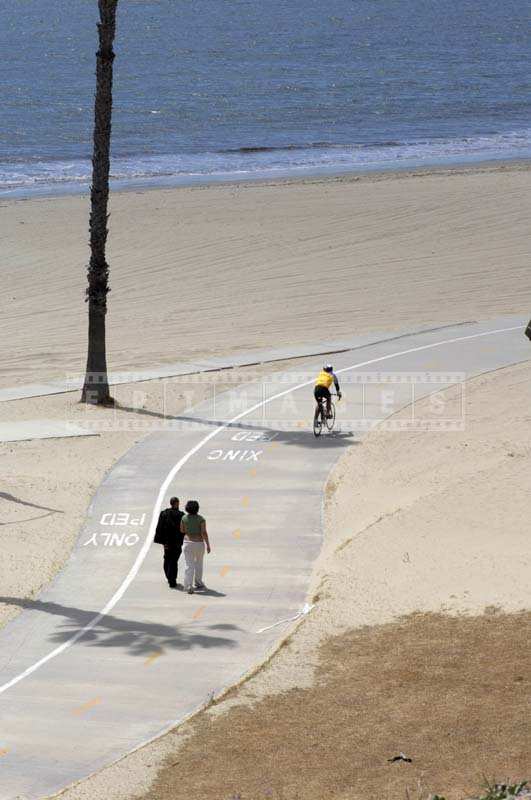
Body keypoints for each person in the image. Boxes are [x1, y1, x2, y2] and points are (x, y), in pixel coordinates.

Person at [180, 500, 211, 594]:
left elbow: (182, 530)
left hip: (187, 543)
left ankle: (188, 586)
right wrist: (208, 545)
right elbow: (204, 532)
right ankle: (198, 582)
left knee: (189, 565)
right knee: (199, 564)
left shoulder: (184, 518)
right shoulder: (201, 519)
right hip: (199, 543)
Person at [154, 497, 184, 589]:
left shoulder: (164, 513)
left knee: (167, 558)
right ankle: (172, 580)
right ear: (177, 503)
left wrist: (161, 541)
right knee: (174, 560)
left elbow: (159, 527)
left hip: (167, 542)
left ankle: (169, 576)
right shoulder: (181, 515)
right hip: (177, 542)